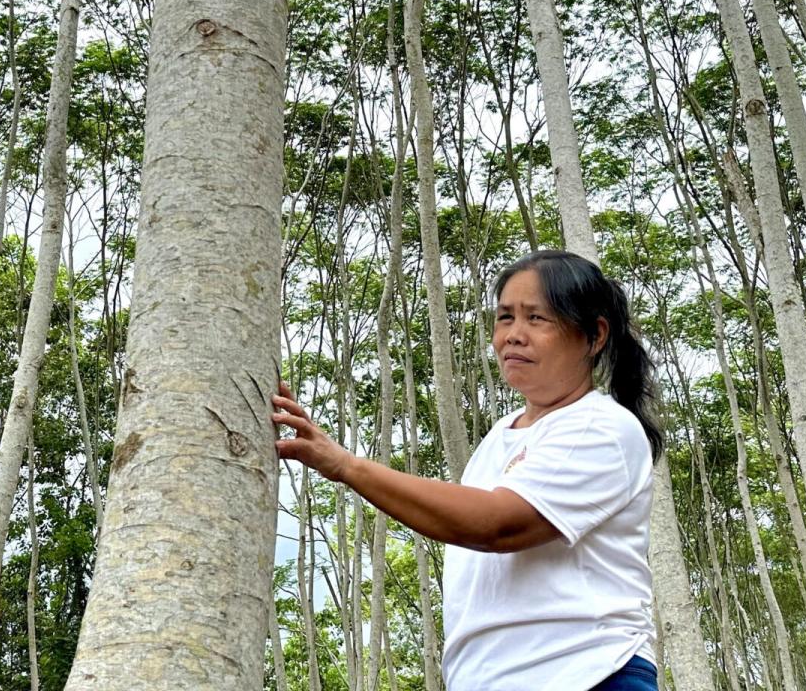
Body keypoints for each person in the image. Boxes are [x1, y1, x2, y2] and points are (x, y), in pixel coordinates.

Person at [272, 249, 663, 691]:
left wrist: (345, 465)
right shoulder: (500, 436)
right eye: (504, 318)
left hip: (589, 673)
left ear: (594, 336)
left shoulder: (603, 427)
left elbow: (496, 525)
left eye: (537, 319)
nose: (513, 335)